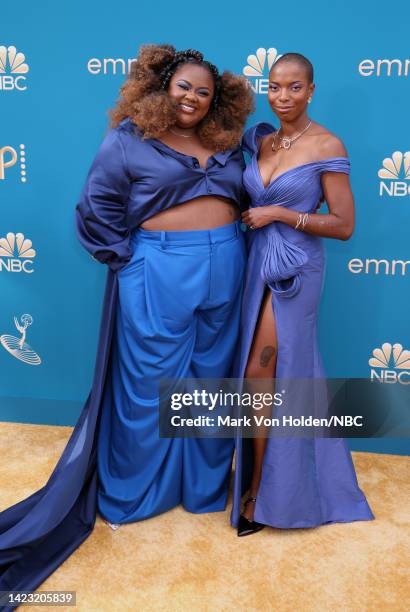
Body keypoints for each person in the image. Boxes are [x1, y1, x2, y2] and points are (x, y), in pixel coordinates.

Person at [0, 44, 254, 596]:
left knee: (212, 380)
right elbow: (96, 208)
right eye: (183, 86)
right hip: (158, 265)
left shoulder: (228, 141)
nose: (192, 97)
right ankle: (134, 495)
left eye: (204, 91)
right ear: (161, 86)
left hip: (227, 264)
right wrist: (134, 261)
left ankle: (204, 489)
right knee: (146, 386)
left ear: (219, 100)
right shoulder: (129, 139)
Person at [231, 52, 374, 536]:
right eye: (274, 87)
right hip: (256, 263)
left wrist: (277, 214)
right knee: (271, 375)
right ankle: (265, 483)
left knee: (267, 370)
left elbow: (345, 225)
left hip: (296, 267)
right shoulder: (263, 141)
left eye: (294, 87)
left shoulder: (326, 144)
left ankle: (263, 492)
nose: (283, 96)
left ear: (311, 90)